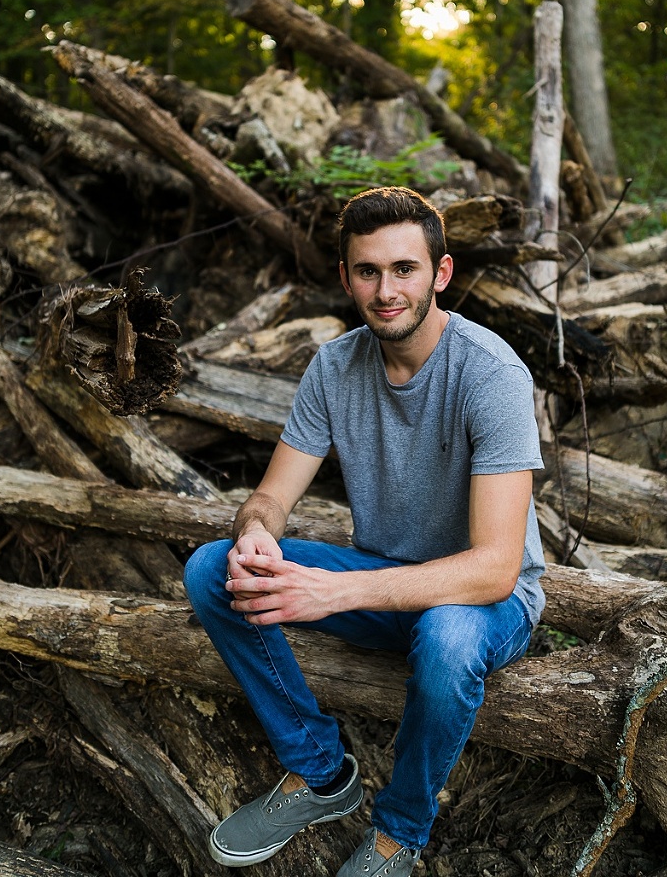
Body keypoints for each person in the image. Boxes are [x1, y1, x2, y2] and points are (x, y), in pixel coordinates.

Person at [184, 185, 545, 876]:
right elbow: (268, 498)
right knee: (211, 568)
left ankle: (399, 832)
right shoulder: (334, 366)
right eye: (367, 271)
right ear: (347, 276)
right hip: (384, 580)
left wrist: (334, 594)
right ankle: (320, 773)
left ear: (440, 274)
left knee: (446, 634)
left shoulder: (490, 373)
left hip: (486, 604)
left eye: (404, 269)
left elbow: (496, 568)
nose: (386, 290)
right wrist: (258, 533)